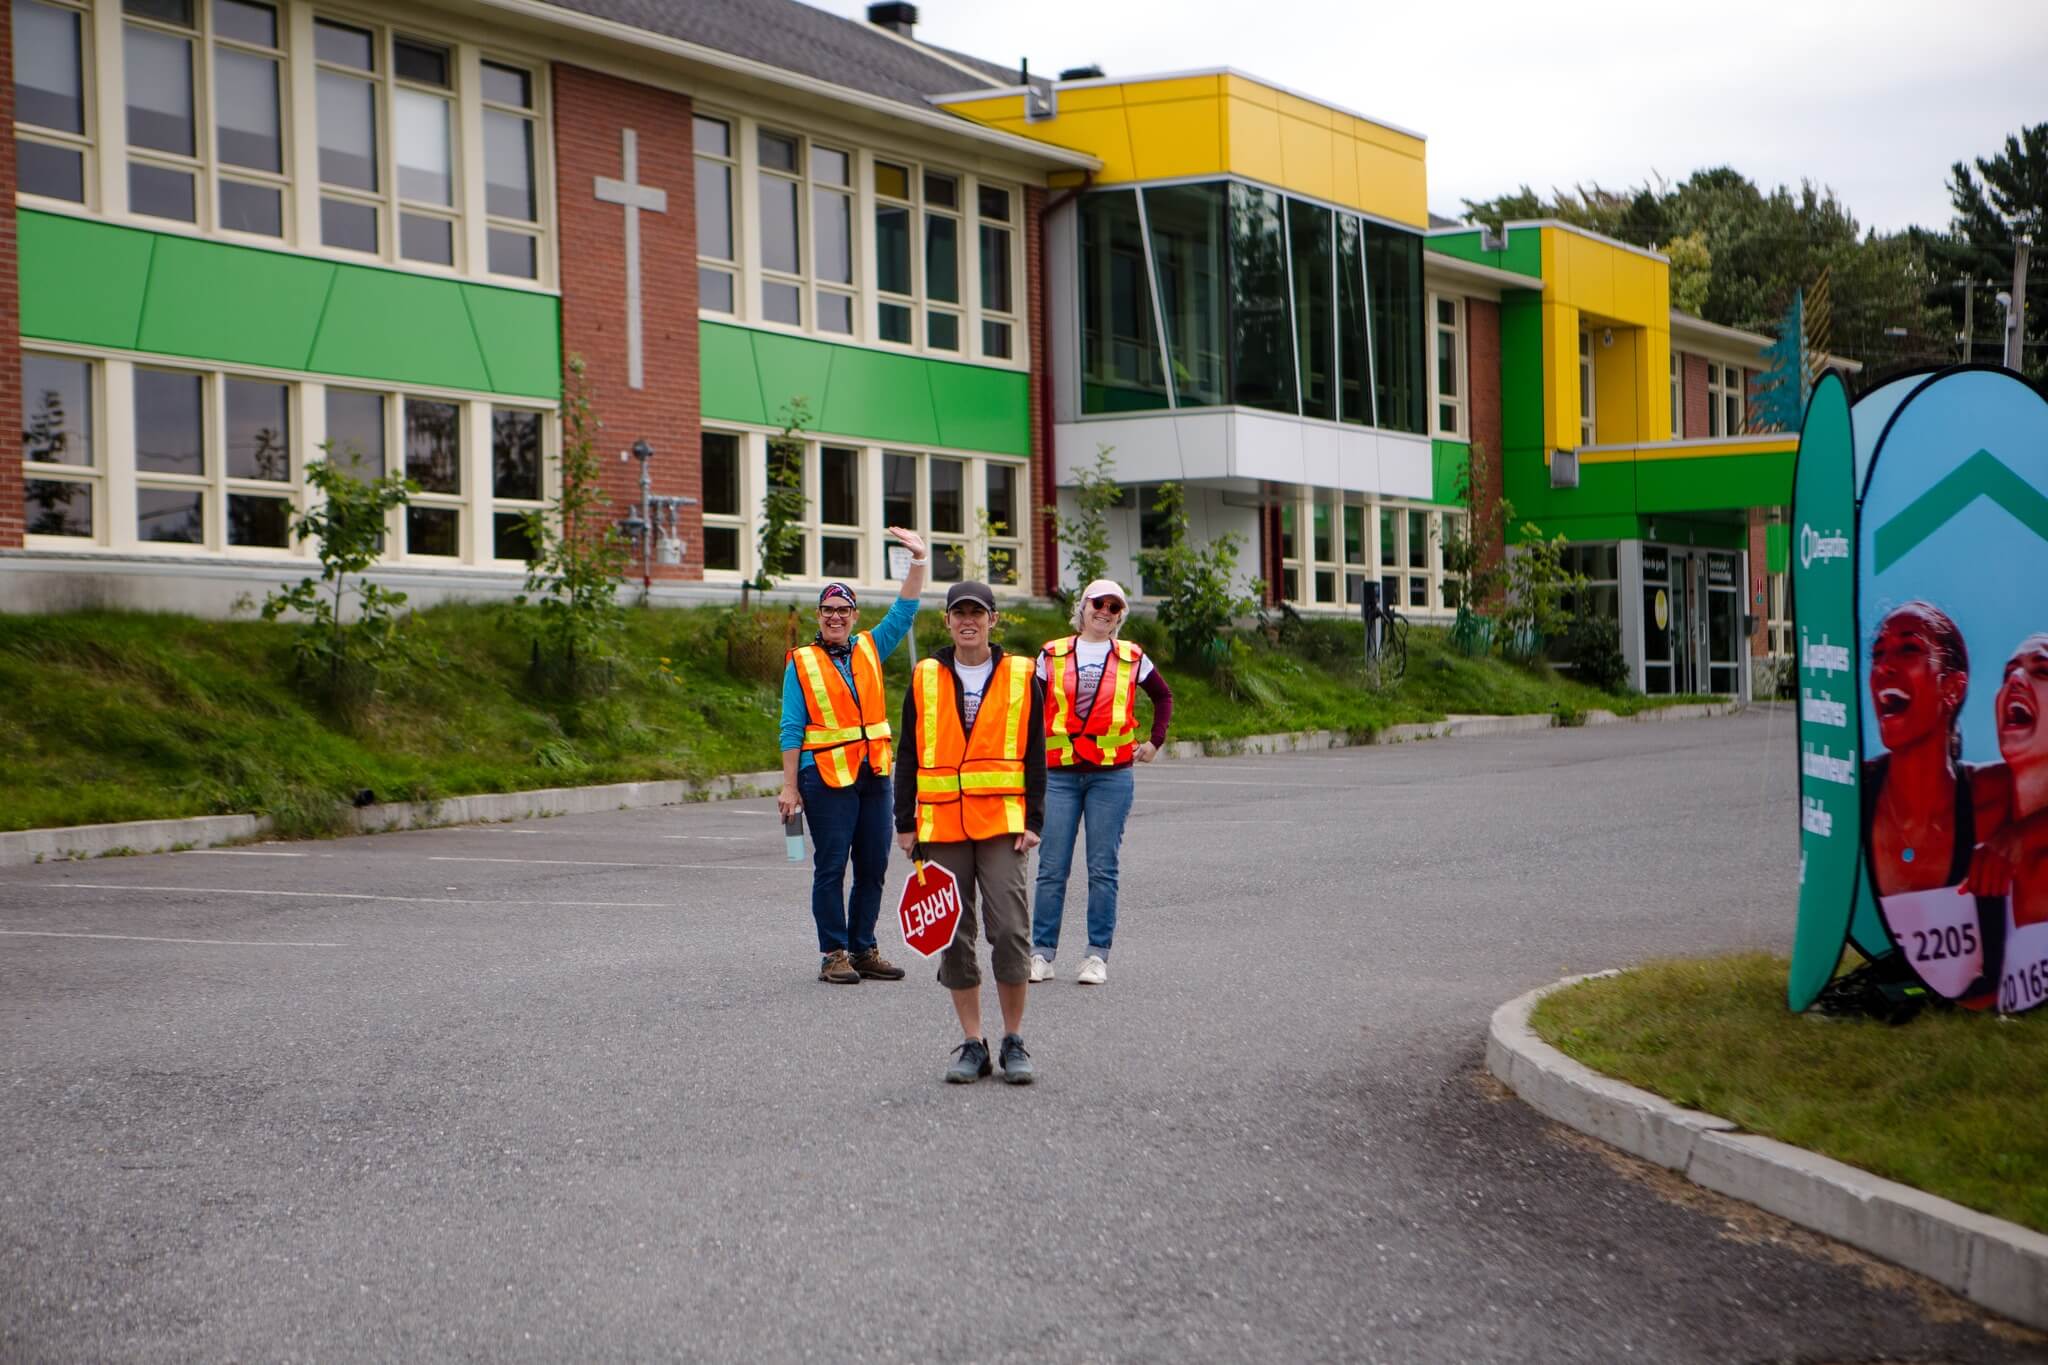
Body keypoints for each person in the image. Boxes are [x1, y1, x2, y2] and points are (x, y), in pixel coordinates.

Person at [893, 581, 1045, 1084]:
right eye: (959, 612)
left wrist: (1035, 820)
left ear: (992, 620)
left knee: (1010, 931)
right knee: (954, 935)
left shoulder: (1022, 677)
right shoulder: (925, 677)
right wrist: (905, 822)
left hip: (1002, 823)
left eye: (977, 613)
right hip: (942, 824)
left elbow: (1035, 754)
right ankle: (973, 1042)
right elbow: (909, 754)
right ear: (947, 621)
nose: (968, 620)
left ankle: (1013, 1039)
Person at [778, 526, 927, 985]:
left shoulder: (870, 647)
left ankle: (864, 948)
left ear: (854, 614)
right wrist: (789, 785)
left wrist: (919, 560)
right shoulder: (802, 662)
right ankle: (834, 952)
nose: (836, 617)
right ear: (819, 615)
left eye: (843, 610)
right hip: (823, 777)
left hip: (874, 773)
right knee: (831, 866)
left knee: (873, 865)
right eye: (829, 610)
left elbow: (904, 611)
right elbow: (791, 727)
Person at [1028, 579, 1172, 986]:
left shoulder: (1132, 656)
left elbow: (1164, 697)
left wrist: (1155, 742)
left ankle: (1096, 956)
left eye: (1114, 607)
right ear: (1084, 606)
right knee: (1052, 868)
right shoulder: (1051, 653)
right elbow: (1030, 708)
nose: (1105, 611)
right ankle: (1041, 954)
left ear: (1119, 616)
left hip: (1111, 776)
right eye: (1099, 603)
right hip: (1058, 775)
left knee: (1102, 868)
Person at [1861, 601, 2005, 1005]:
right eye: (1878, 655)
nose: (1884, 667)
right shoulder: (1857, 792)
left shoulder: (1990, 793)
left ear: (1952, 687)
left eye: (1908, 649)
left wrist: (2018, 837)